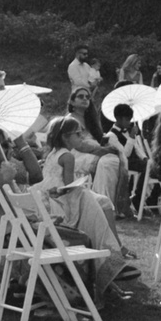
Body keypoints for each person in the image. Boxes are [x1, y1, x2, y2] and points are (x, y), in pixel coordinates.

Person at [34, 115, 138, 289]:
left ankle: (115, 251)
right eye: (77, 134)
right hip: (61, 202)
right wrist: (80, 185)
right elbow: (68, 187)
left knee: (103, 202)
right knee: (102, 203)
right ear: (65, 137)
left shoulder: (53, 152)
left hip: (50, 198)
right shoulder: (67, 156)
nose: (81, 138)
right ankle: (113, 254)